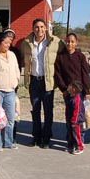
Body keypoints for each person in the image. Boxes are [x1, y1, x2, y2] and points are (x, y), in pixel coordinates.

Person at [20, 18, 64, 149]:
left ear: (46, 28)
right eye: (36, 27)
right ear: (33, 29)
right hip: (34, 80)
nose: (39, 30)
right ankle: (36, 137)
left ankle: (46, 138)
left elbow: (66, 53)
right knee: (35, 110)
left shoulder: (55, 42)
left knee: (48, 111)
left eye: (41, 27)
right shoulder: (26, 43)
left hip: (48, 81)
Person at [54, 32, 90, 143]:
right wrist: (64, 89)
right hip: (68, 92)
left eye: (72, 41)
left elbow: (85, 74)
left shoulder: (80, 56)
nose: (70, 43)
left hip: (79, 92)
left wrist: (87, 91)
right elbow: (58, 74)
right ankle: (70, 140)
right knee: (69, 116)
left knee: (78, 117)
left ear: (76, 43)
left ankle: (80, 140)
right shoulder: (60, 57)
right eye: (68, 41)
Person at [65, 80, 85, 155]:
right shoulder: (70, 96)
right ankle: (70, 146)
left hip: (76, 121)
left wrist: (74, 121)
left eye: (70, 85)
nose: (68, 86)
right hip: (69, 119)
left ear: (73, 89)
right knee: (70, 134)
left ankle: (79, 147)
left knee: (76, 134)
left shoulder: (76, 99)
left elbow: (77, 111)